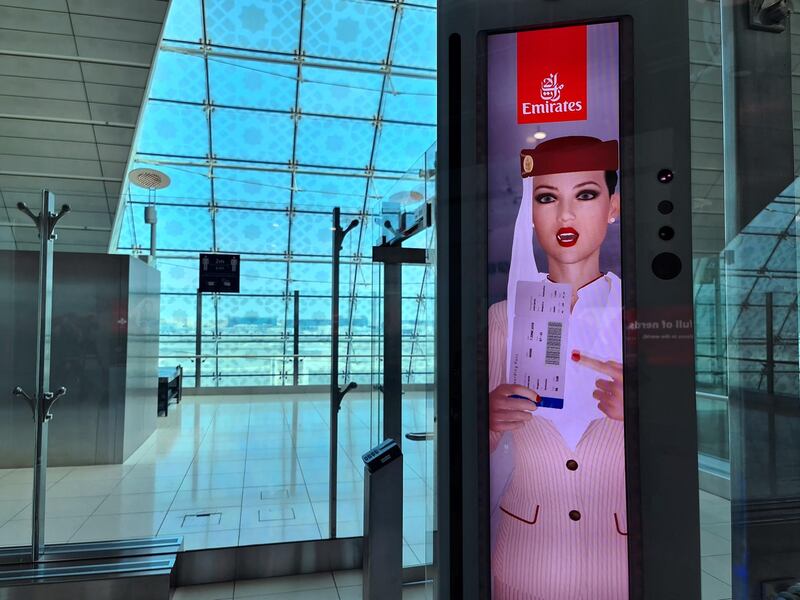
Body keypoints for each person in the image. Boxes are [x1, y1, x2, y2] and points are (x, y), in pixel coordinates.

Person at [489, 136, 627, 600]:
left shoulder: (641, 317)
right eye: (548, 198)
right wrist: (486, 420)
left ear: (614, 206)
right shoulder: (501, 320)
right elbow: (465, 450)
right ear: (531, 211)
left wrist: (646, 414)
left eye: (585, 195)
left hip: (623, 559)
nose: (565, 217)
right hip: (527, 560)